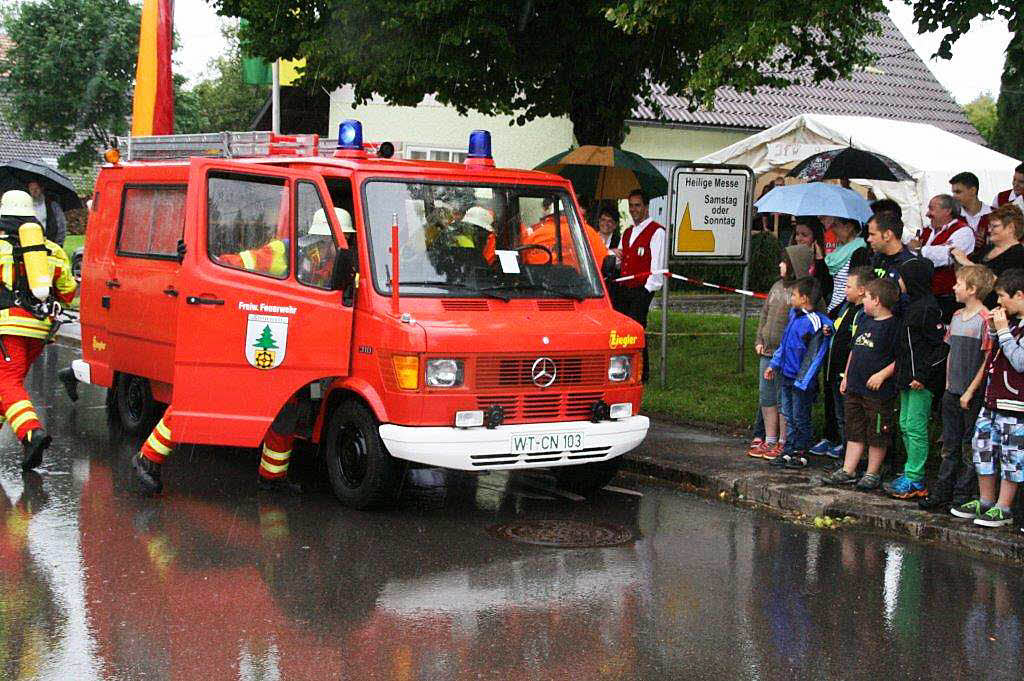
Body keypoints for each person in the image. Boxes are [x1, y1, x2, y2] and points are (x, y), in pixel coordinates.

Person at [0, 189, 77, 469]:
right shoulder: (52, 250)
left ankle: (31, 433)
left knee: (5, 381)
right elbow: (68, 292)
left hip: (6, 327)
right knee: (9, 386)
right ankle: (28, 435)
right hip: (39, 330)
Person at [919, 265, 996, 512]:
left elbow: (986, 360)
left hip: (970, 394)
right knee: (949, 444)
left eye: (959, 283)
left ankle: (963, 493)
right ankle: (943, 489)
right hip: (952, 390)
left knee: (967, 445)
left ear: (972, 289)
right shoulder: (955, 316)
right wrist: (948, 384)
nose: (953, 287)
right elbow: (950, 350)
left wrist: (970, 391)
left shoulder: (985, 320)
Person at [951, 268, 1024, 528]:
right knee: (983, 449)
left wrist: (1003, 331)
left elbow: (1020, 362)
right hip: (992, 401)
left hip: (1015, 406)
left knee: (1011, 456)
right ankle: (985, 501)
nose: (999, 302)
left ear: (1019, 295)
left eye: (1003, 296)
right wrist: (995, 331)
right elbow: (997, 353)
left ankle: (1004, 507)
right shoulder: (1011, 324)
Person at [821, 277, 901, 490]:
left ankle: (872, 472)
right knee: (854, 429)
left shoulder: (893, 326)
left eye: (866, 297)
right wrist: (846, 376)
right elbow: (854, 350)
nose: (863, 301)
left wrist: (882, 375)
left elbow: (899, 358)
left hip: (877, 392)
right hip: (855, 386)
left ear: (876, 300)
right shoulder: (863, 320)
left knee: (877, 432)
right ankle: (848, 469)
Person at [884, 256, 945, 500]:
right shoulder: (910, 305)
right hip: (906, 377)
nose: (899, 280)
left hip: (921, 380)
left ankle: (916, 477)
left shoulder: (928, 308)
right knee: (905, 424)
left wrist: (923, 374)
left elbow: (938, 347)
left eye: (902, 276)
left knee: (916, 426)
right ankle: (911, 471)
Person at [763, 276, 833, 469]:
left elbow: (826, 329)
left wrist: (829, 329)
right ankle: (789, 449)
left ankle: (801, 451)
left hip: (802, 380)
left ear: (804, 298)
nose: (790, 298)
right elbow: (784, 345)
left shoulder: (815, 321)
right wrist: (774, 365)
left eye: (793, 294)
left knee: (801, 416)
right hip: (786, 375)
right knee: (788, 413)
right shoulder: (794, 316)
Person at [750, 245, 813, 459]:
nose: (780, 265)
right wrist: (759, 338)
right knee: (766, 395)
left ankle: (784, 439)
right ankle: (769, 438)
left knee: (783, 399)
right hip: (767, 351)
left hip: (788, 357)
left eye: (784, 261)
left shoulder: (804, 293)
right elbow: (764, 314)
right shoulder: (776, 286)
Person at [812, 265, 876, 460]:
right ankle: (843, 447)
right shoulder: (845, 307)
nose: (845, 290)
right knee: (839, 415)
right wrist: (829, 330)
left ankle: (850, 455)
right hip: (833, 370)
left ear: (862, 290)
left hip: (845, 374)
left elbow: (855, 343)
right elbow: (838, 329)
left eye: (849, 286)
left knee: (848, 418)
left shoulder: (862, 313)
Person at [615, 189, 664, 382]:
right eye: (631, 206)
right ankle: (624, 370)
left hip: (641, 289)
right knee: (622, 331)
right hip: (624, 287)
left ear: (645, 207)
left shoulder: (656, 231)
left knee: (637, 329)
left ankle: (642, 373)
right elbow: (621, 259)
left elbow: (657, 267)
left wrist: (647, 290)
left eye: (637, 205)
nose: (634, 209)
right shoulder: (627, 232)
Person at [909, 194, 974, 322]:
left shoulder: (963, 231)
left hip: (947, 299)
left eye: (932, 209)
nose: (928, 214)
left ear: (948, 210)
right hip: (924, 297)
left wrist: (919, 250)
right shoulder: (927, 231)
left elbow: (945, 256)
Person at [952, 204, 1024, 307]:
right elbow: (964, 275)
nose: (989, 230)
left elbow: (1003, 284)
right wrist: (957, 259)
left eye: (994, 226)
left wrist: (967, 262)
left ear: (1010, 228)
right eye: (989, 226)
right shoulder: (987, 249)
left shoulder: (1019, 254)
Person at [866, 212, 914, 309]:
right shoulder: (877, 259)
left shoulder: (909, 265)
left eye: (872, 234)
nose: (868, 239)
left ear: (887, 234)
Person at [822, 218, 869, 317]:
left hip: (844, 310)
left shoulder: (859, 251)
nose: (832, 229)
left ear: (849, 227)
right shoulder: (839, 250)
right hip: (832, 307)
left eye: (835, 225)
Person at [791, 216, 832, 305]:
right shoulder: (791, 256)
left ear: (815, 237)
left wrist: (820, 260)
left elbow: (824, 288)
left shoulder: (823, 261)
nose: (799, 239)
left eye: (804, 235)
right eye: (797, 234)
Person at [950, 171, 993, 251]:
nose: (954, 196)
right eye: (953, 192)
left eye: (958, 192)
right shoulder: (952, 216)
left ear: (973, 191)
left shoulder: (995, 214)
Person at [25, 180, 66, 247]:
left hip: (49, 241)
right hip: (30, 240)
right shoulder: (25, 205)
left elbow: (61, 225)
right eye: (31, 189)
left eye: (36, 188)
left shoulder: (52, 205)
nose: (34, 191)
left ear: (42, 189)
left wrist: (59, 243)